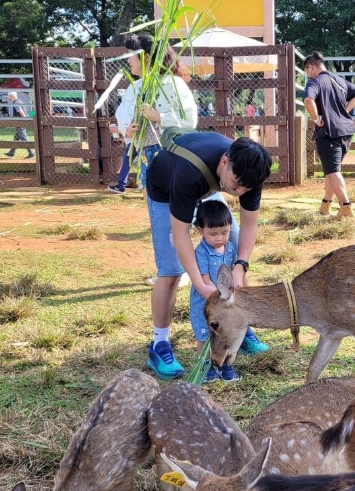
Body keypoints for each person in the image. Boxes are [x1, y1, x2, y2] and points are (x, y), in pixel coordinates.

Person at [143, 131, 272, 379]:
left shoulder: (248, 175)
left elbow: (249, 225)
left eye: (247, 188)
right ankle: (160, 344)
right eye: (237, 185)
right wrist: (199, 281)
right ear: (225, 162)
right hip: (166, 188)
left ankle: (238, 327)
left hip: (212, 185)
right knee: (171, 270)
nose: (241, 192)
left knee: (234, 248)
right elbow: (180, 234)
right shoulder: (190, 172)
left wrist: (241, 264)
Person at [189, 200, 270, 383]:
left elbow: (235, 271)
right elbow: (205, 279)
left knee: (228, 332)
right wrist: (220, 294)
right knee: (205, 334)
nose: (220, 238)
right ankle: (207, 367)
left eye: (225, 232)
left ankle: (227, 366)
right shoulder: (201, 252)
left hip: (226, 303)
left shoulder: (231, 248)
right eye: (213, 234)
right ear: (201, 231)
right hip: (207, 301)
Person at [108, 33, 197, 194]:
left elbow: (189, 120)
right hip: (145, 153)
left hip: (169, 152)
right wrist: (128, 131)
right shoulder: (135, 88)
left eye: (131, 55)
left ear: (146, 57)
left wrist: (159, 117)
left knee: (172, 200)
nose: (128, 60)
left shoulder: (172, 84)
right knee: (150, 200)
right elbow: (126, 123)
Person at [303, 51, 355, 219]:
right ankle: (325, 206)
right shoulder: (339, 80)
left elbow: (308, 101)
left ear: (310, 67)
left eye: (307, 71)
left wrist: (316, 119)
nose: (308, 75)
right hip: (346, 131)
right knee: (332, 170)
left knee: (333, 171)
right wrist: (345, 111)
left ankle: (346, 208)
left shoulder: (315, 82)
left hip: (329, 132)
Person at [5, 91, 34, 159]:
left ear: (12, 96)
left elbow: (21, 112)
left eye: (9, 96)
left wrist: (23, 121)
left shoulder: (16, 103)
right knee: (16, 138)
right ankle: (11, 153)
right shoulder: (20, 101)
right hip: (20, 123)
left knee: (24, 138)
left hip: (20, 123)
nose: (8, 97)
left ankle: (31, 153)